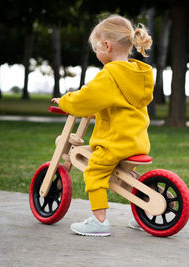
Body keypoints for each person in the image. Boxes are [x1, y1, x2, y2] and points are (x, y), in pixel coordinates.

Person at [51, 14, 153, 237]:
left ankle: (99, 221)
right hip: (136, 142)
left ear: (106, 46)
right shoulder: (137, 74)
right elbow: (116, 104)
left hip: (115, 142)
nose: (96, 52)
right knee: (127, 180)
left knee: (95, 171)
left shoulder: (109, 75)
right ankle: (145, 214)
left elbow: (85, 98)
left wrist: (65, 101)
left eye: (96, 47)